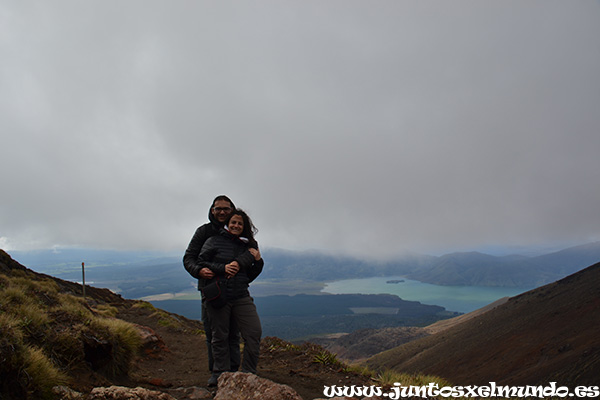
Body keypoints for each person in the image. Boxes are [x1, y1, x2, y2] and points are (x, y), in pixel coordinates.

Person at [183, 195, 255, 383]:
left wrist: (245, 278)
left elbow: (251, 261)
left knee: (233, 333)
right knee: (214, 333)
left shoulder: (241, 235)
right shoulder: (204, 232)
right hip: (211, 291)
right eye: (218, 209)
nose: (222, 212)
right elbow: (189, 258)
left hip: (235, 292)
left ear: (232, 210)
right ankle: (217, 373)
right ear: (212, 210)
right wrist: (198, 270)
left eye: (226, 208)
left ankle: (231, 371)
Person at [198, 209, 263, 386]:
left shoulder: (248, 246)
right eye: (233, 222)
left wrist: (258, 261)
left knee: (253, 332)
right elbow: (201, 263)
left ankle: (249, 373)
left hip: (241, 295)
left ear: (244, 227)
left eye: (240, 223)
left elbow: (251, 274)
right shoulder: (213, 241)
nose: (236, 226)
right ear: (227, 223)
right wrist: (223, 268)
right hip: (219, 295)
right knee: (220, 336)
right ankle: (220, 375)